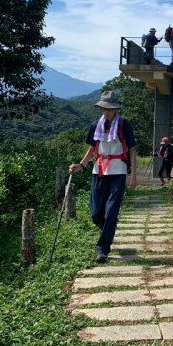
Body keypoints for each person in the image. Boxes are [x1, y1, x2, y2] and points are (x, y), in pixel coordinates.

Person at [69, 91, 137, 263]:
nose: (106, 112)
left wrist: (133, 175)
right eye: (103, 109)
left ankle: (102, 249)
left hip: (118, 170)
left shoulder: (124, 125)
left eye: (110, 109)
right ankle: (109, 227)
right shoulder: (95, 125)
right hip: (99, 169)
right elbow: (92, 149)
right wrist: (81, 165)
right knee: (96, 213)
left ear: (116, 109)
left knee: (112, 210)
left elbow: (132, 151)